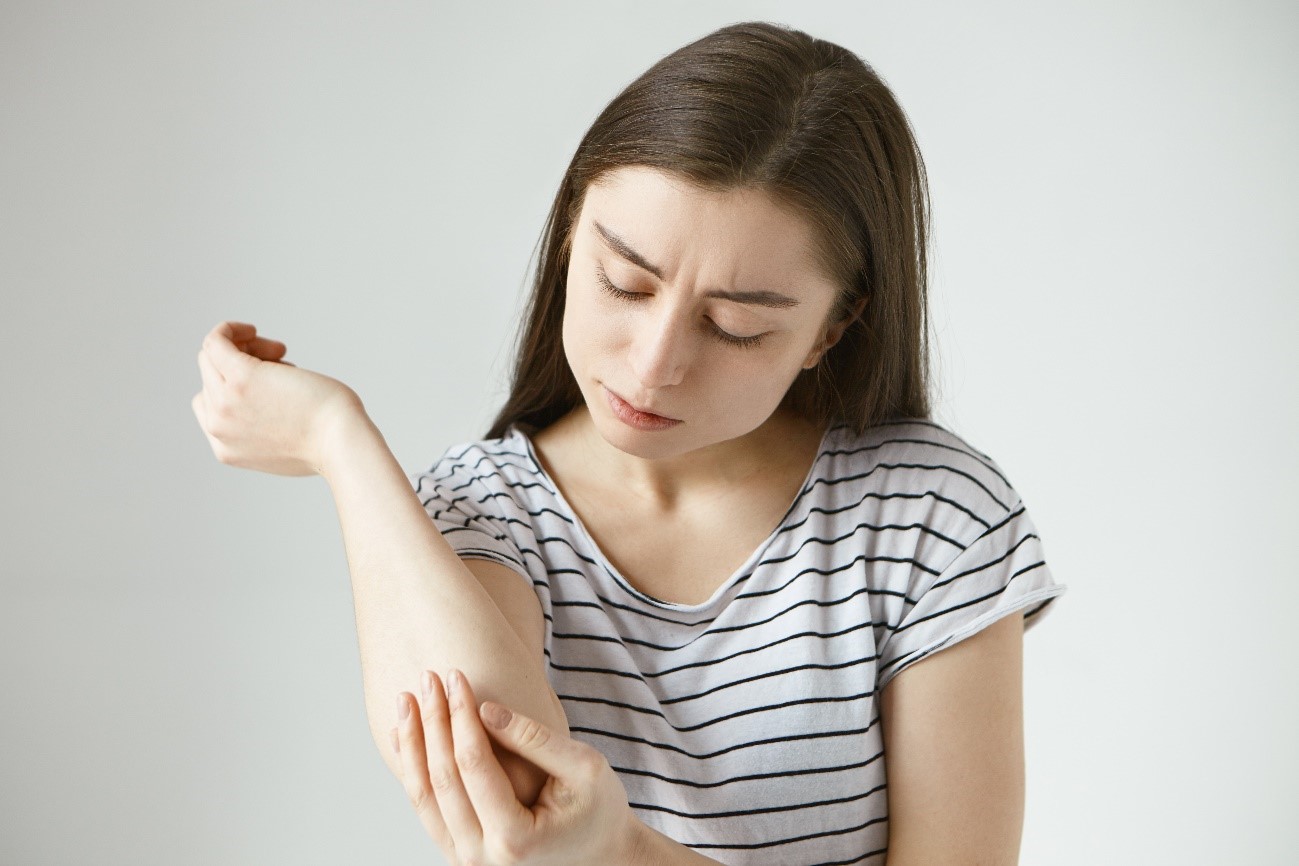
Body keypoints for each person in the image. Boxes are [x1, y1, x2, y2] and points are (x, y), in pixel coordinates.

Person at [192, 20, 1066, 866]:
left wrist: (617, 852)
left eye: (731, 329)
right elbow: (512, 800)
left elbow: (562, 841)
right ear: (571, 233)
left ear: (832, 330)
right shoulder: (481, 514)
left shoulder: (929, 517)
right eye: (623, 282)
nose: (653, 367)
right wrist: (341, 444)